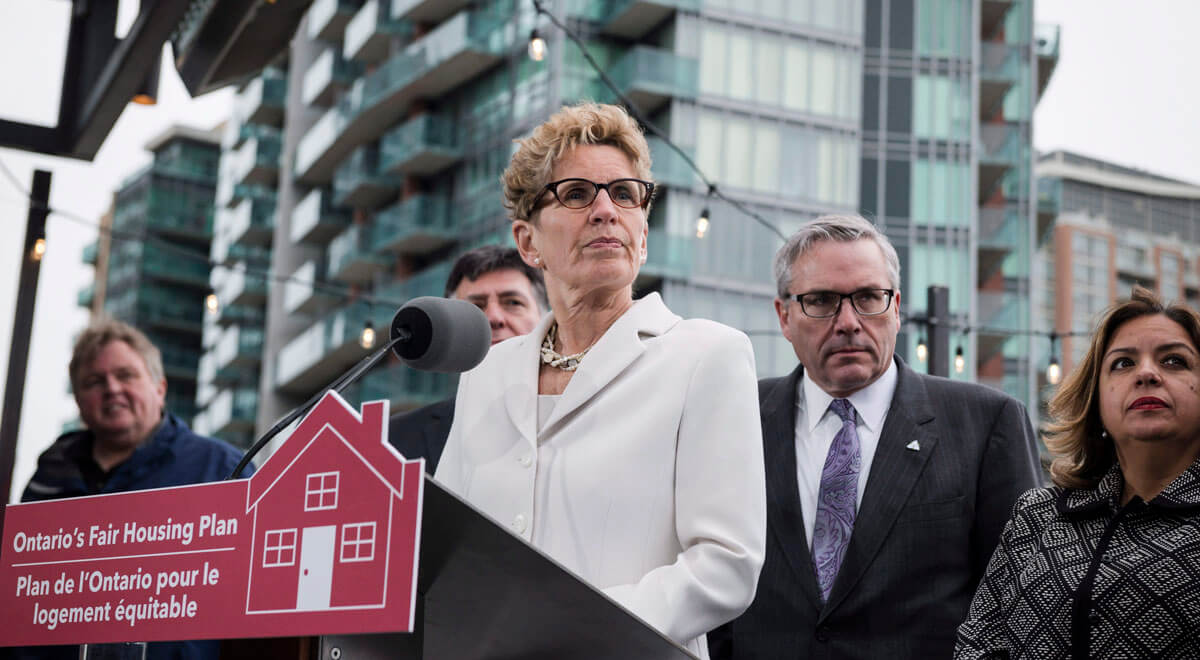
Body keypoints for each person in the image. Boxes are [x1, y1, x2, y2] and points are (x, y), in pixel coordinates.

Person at [434, 102, 765, 658]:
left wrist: (569, 628)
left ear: (643, 229)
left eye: (626, 194)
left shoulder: (707, 355)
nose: (607, 210)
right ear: (528, 241)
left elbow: (727, 563)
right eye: (578, 194)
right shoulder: (486, 374)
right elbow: (444, 549)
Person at [709, 215, 1041, 660]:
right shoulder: (736, 418)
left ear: (897, 307)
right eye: (822, 301)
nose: (848, 321)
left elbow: (1020, 609)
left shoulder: (986, 424)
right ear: (783, 316)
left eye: (868, 297)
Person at [956, 287, 1200, 659]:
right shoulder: (1036, 515)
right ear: (1097, 401)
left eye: (1174, 361)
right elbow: (978, 642)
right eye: (1122, 363)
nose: (1147, 373)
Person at [14, 319, 249, 660]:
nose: (111, 388)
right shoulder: (50, 473)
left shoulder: (221, 468)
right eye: (94, 381)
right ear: (79, 401)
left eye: (126, 375)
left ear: (160, 388)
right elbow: (23, 594)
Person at [387, 245, 546, 473]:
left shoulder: (577, 423)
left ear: (544, 319)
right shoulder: (394, 440)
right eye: (476, 307)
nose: (493, 318)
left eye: (512, 302)